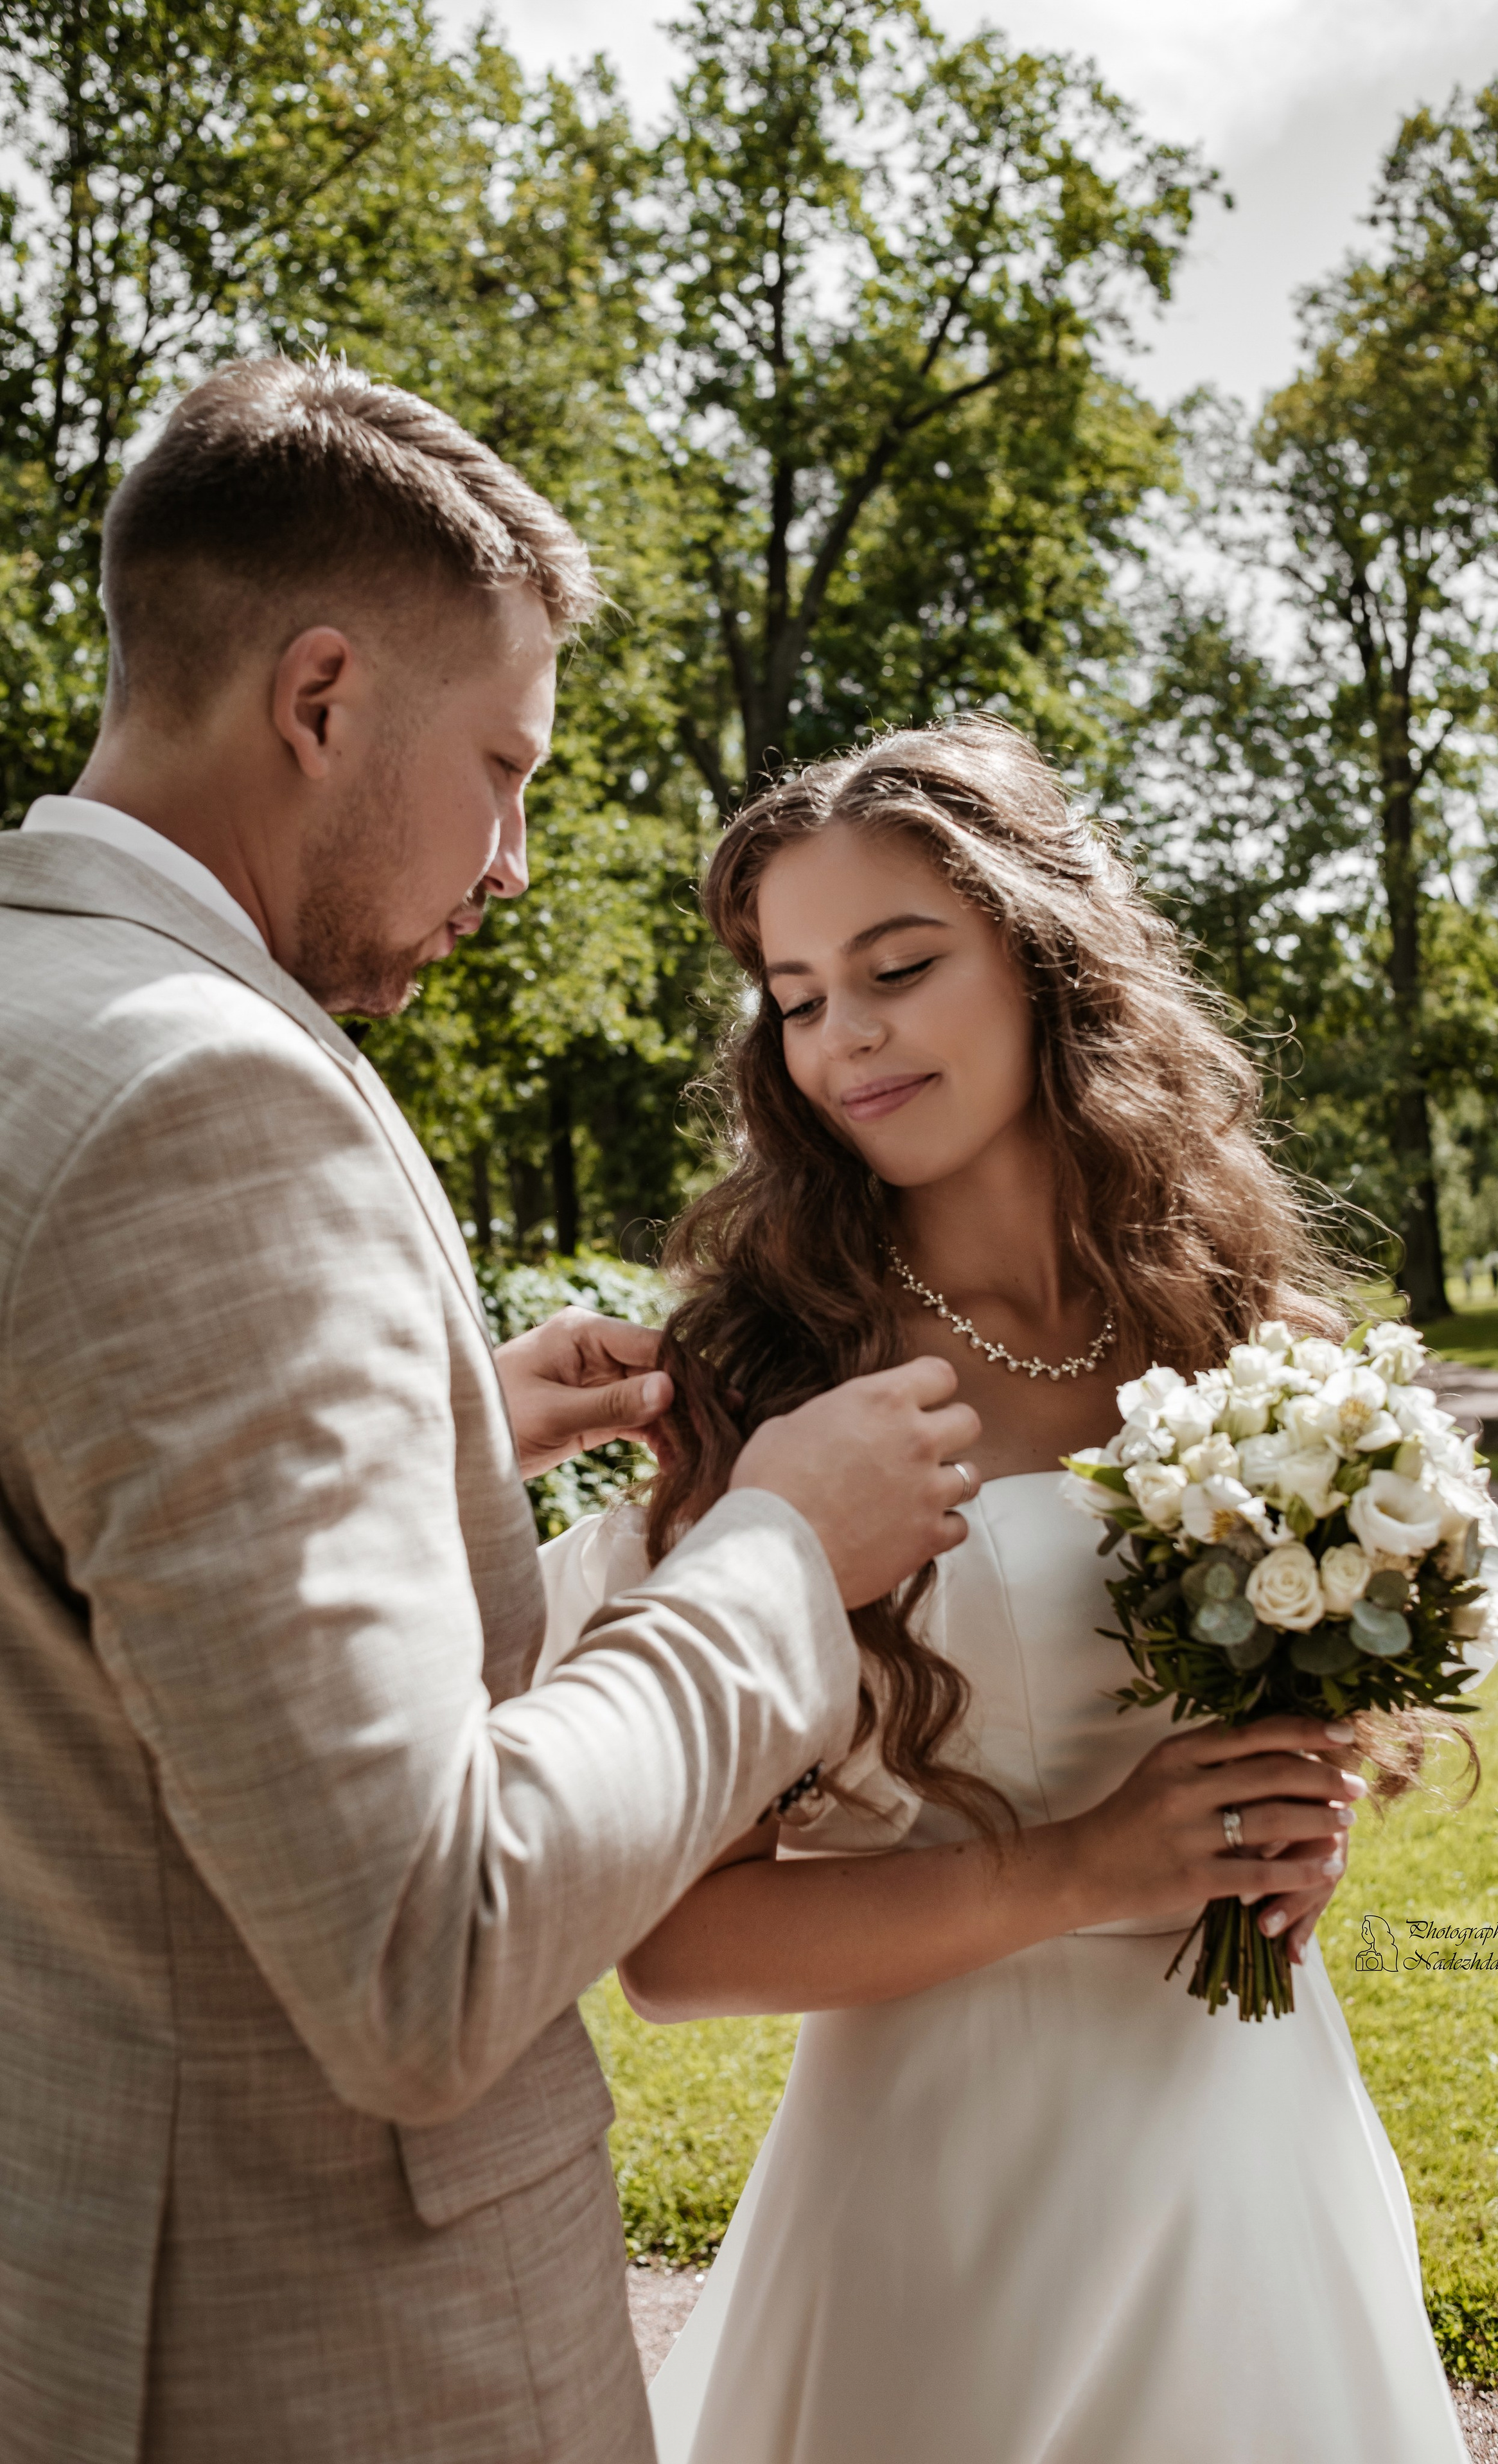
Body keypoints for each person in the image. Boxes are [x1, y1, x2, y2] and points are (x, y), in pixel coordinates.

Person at [0, 359, 987, 2464]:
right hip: (313, 2358)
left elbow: (112, 1687)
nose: (518, 857)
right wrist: (780, 1553)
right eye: (507, 766)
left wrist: (467, 1441)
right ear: (325, 696)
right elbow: (421, 1941)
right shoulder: (209, 1098)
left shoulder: (35, 1028)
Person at [538, 718, 1498, 2463]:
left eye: (897, 966)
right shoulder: (770, 1385)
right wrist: (1085, 1866)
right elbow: (676, 1948)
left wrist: (1290, 1813)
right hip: (942, 2200)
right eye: (795, 991)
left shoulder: (1250, 1339)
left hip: (1251, 2150)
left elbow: (1300, 1704)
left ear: (1048, 955)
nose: (842, 1033)